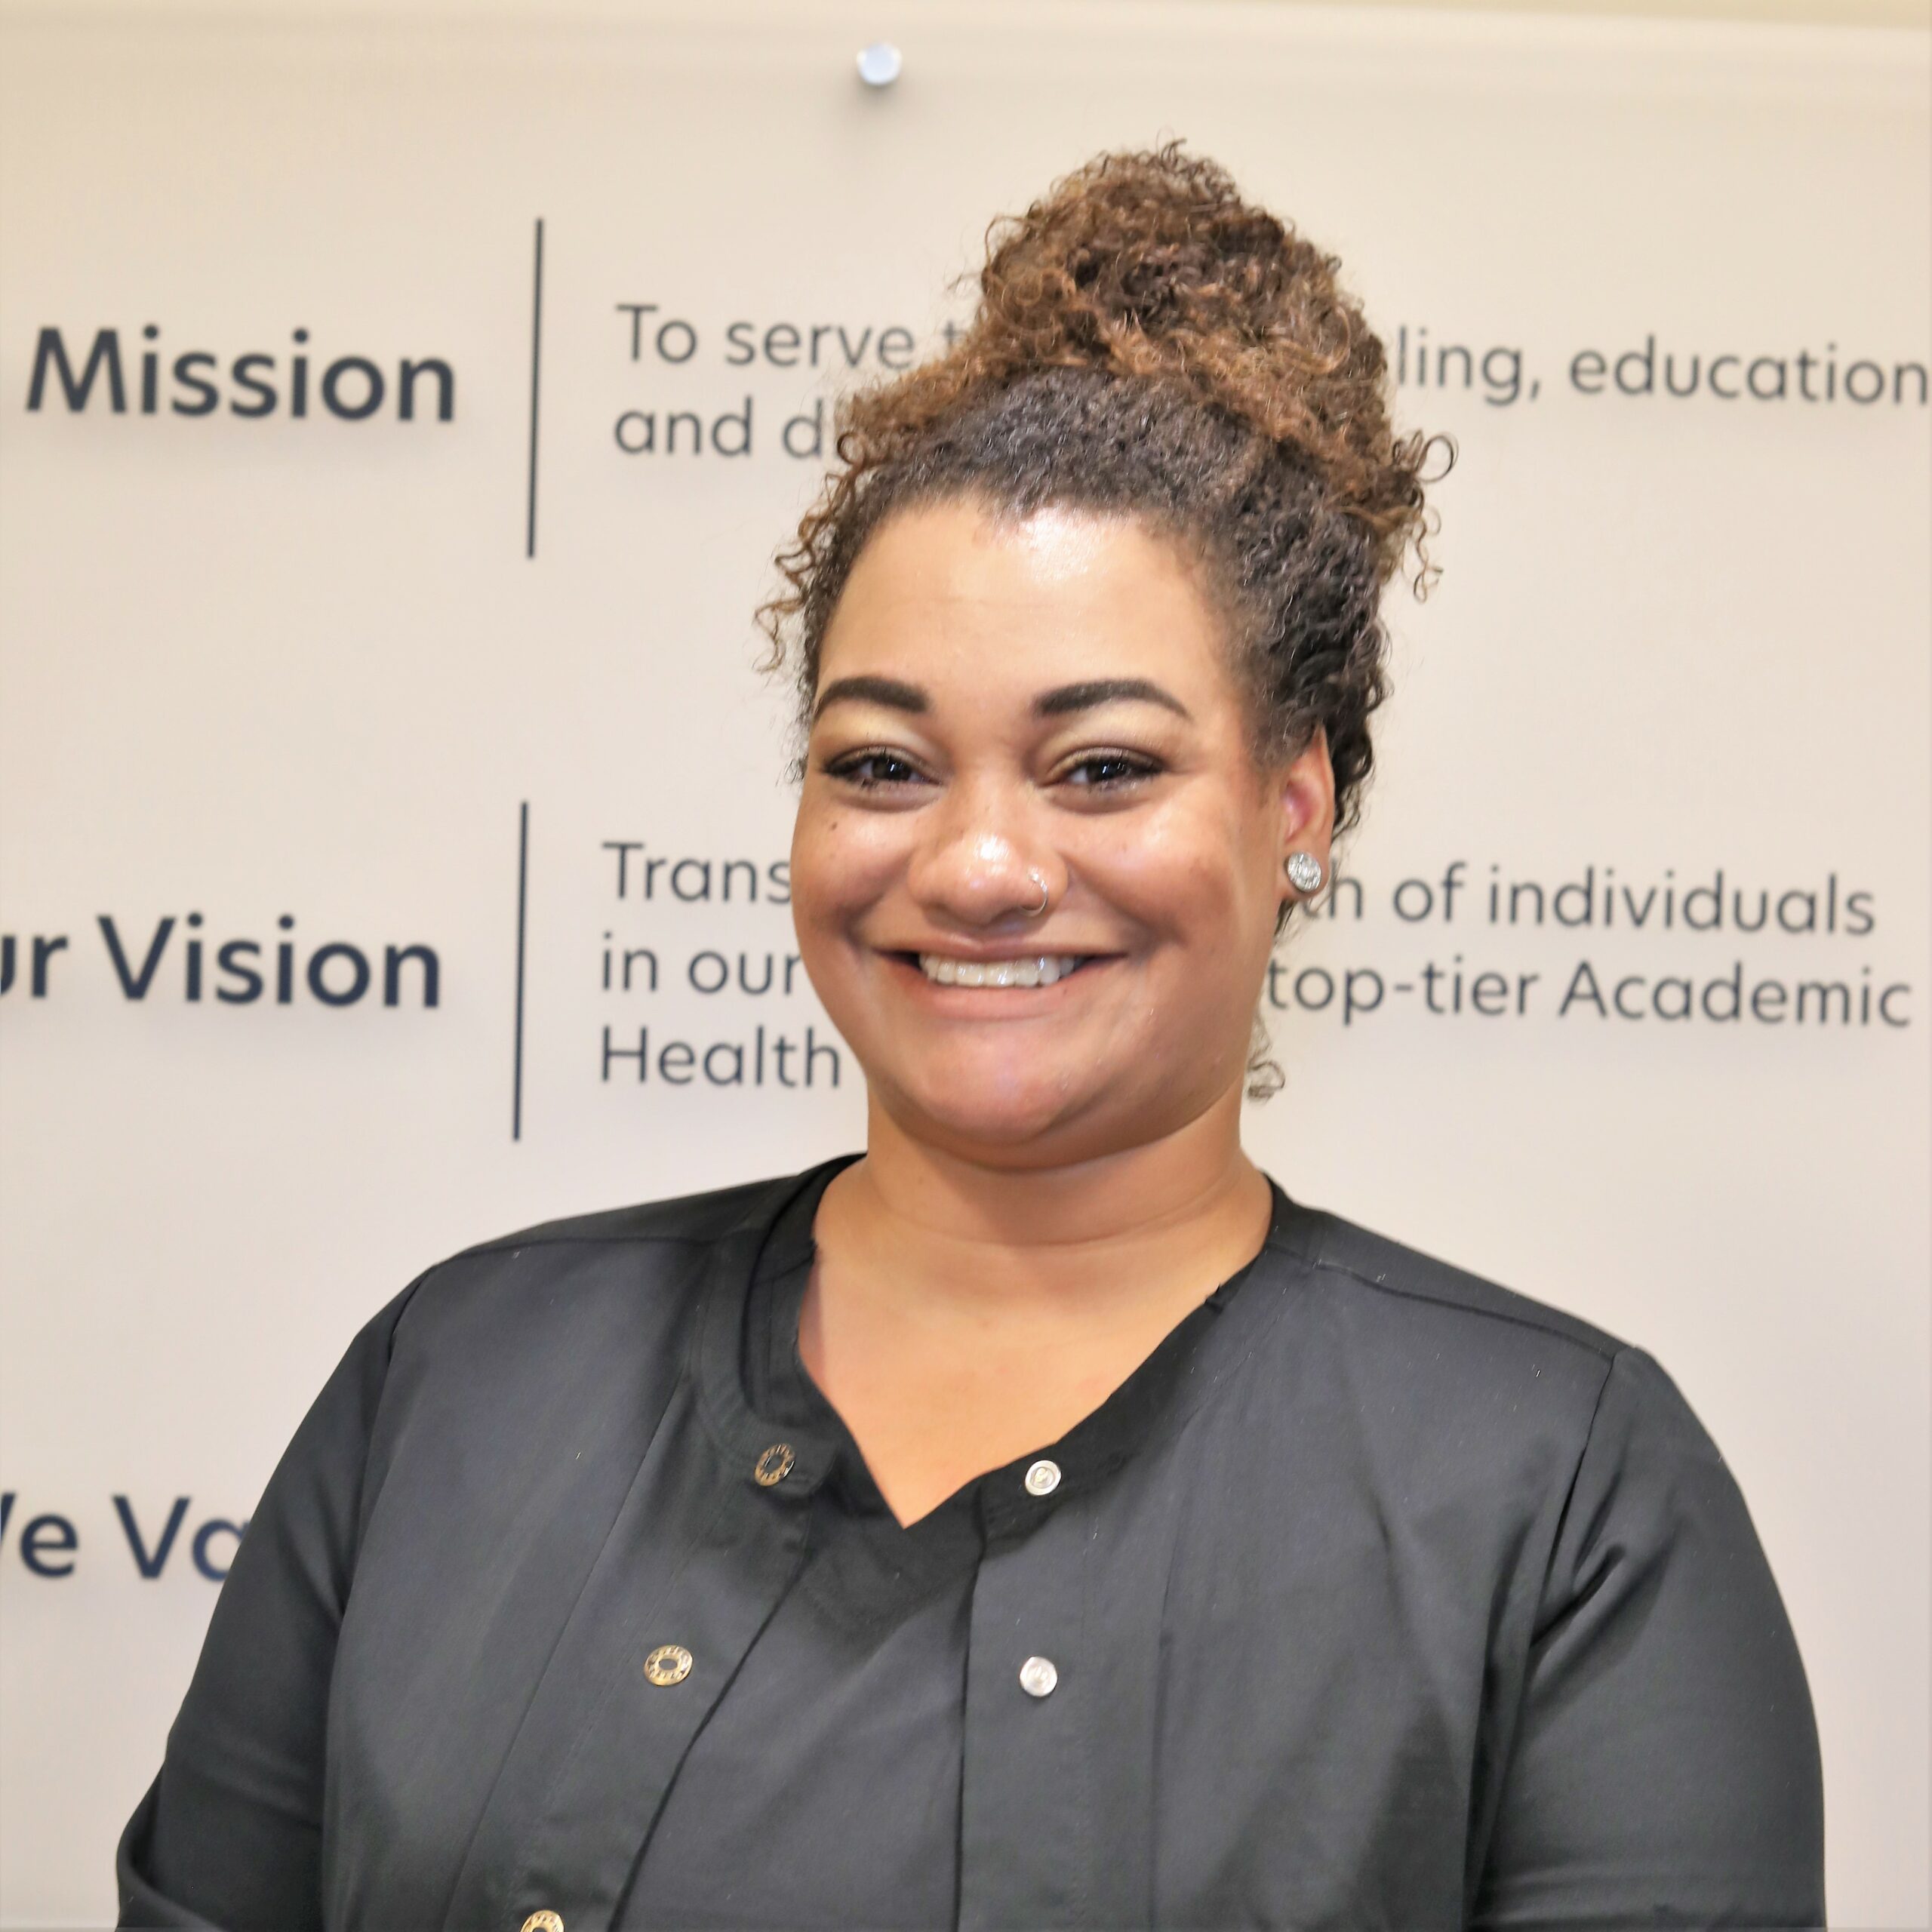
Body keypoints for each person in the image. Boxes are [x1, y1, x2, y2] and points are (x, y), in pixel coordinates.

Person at [118, 146, 1824, 1930]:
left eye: (1102, 766)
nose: (979, 863)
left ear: (1292, 797)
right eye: (881, 763)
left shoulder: (1558, 1499)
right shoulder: (461, 1380)